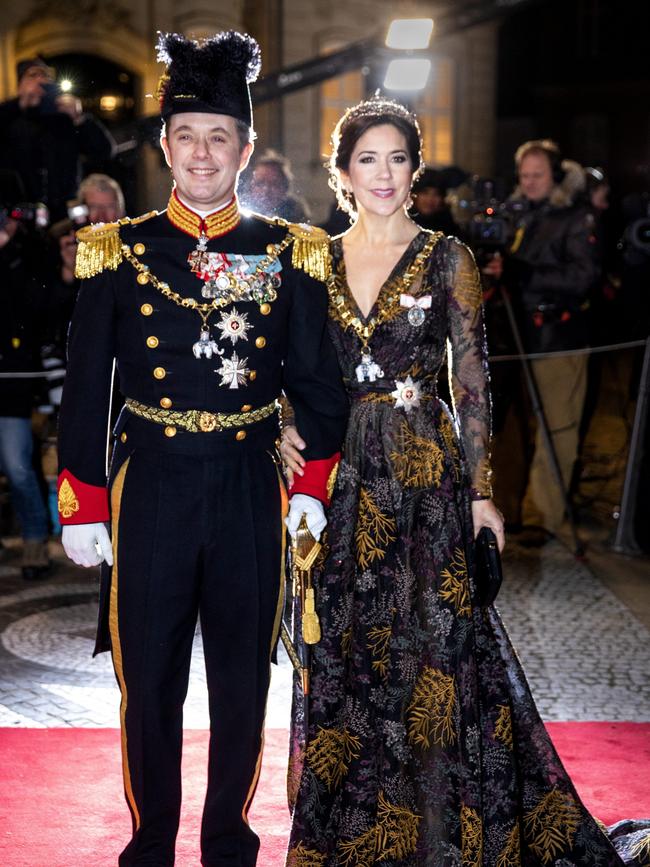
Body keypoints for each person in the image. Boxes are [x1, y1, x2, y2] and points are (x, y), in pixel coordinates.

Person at [281, 98, 644, 866]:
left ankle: (445, 827)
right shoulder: (312, 255)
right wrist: (282, 428)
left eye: (398, 158)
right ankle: (361, 831)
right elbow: (296, 367)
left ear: (415, 170)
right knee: (352, 649)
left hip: (424, 480)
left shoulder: (449, 257)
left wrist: (481, 495)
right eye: (368, 159)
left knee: (440, 649)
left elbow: (472, 381)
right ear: (343, 172)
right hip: (342, 483)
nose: (384, 174)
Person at [56, 31, 348, 867]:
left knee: (241, 680)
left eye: (220, 135)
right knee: (146, 683)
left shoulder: (292, 252)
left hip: (248, 486)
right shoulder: (119, 249)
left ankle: (227, 841)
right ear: (163, 146)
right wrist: (80, 494)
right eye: (186, 134)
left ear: (247, 147)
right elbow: (87, 384)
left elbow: (319, 385)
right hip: (149, 485)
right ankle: (150, 841)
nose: (203, 152)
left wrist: (312, 484)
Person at [484, 139, 600, 540]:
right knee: (509, 428)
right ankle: (509, 511)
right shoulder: (518, 215)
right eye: (524, 175)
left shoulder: (574, 217)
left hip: (557, 336)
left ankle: (543, 519)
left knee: (557, 429)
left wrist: (521, 273)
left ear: (556, 176)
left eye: (538, 175)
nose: (529, 182)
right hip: (512, 337)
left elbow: (584, 277)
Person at [0, 170, 50, 578]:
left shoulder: (27, 254)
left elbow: (34, 311)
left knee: (17, 465)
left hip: (13, 380)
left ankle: (35, 539)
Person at [0, 57, 115, 221]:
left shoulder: (65, 120)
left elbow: (104, 151)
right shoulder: (10, 119)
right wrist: (20, 103)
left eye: (46, 76)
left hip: (64, 215)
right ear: (20, 85)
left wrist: (79, 118)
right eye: (33, 75)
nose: (40, 80)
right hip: (20, 215)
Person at [243, 148, 311, 222]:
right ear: (251, 185)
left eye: (274, 184)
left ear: (285, 188)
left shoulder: (295, 212)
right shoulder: (241, 210)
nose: (266, 190)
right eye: (260, 183)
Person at [409, 166, 462, 236]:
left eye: (436, 194)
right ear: (415, 195)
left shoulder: (449, 227)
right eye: (425, 193)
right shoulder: (403, 223)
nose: (430, 199)